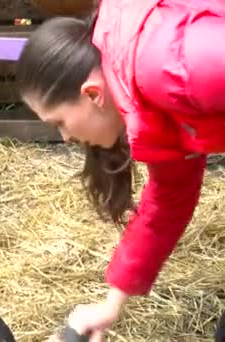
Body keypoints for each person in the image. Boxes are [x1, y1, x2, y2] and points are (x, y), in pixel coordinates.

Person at [15, 0, 225, 340]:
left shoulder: (166, 63)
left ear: (93, 94)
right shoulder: (145, 93)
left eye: (59, 123)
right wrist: (111, 304)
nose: (66, 138)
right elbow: (169, 200)